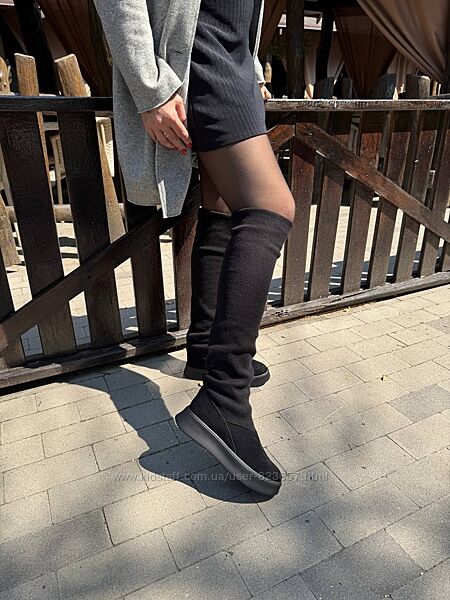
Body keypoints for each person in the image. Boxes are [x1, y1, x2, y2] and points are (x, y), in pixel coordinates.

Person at [94, 0, 296, 497]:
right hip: (203, 58)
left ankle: (205, 346)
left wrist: (252, 68)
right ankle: (224, 399)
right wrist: (150, 86)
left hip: (231, 61)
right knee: (272, 207)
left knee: (222, 204)